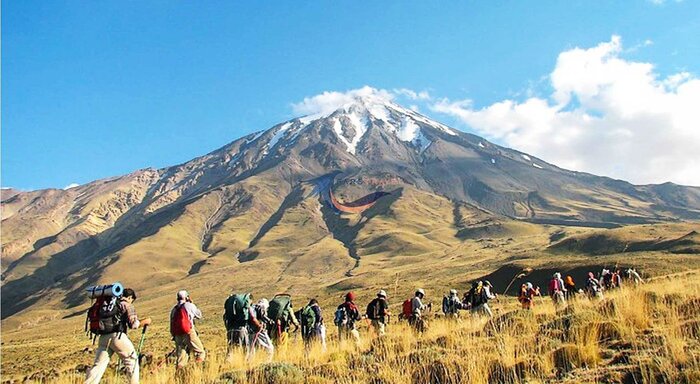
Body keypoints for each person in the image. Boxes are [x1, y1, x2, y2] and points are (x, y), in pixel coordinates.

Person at [85, 288, 152, 384]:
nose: (131, 301)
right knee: (131, 361)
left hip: (103, 337)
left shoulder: (109, 304)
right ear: (129, 297)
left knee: (98, 366)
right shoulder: (127, 305)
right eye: (132, 299)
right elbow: (134, 325)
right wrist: (145, 321)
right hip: (117, 336)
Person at [169, 290, 205, 368]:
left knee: (181, 359)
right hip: (189, 332)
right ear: (186, 297)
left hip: (177, 335)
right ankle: (197, 369)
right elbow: (199, 315)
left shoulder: (174, 309)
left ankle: (179, 374)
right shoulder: (189, 305)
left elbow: (171, 323)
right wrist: (192, 303)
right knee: (200, 352)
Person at [224, 293, 259, 361]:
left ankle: (226, 364)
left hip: (230, 330)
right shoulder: (246, 308)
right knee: (245, 350)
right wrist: (259, 325)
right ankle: (245, 365)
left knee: (231, 350)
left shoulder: (230, 309)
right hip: (241, 329)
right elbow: (252, 318)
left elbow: (225, 318)